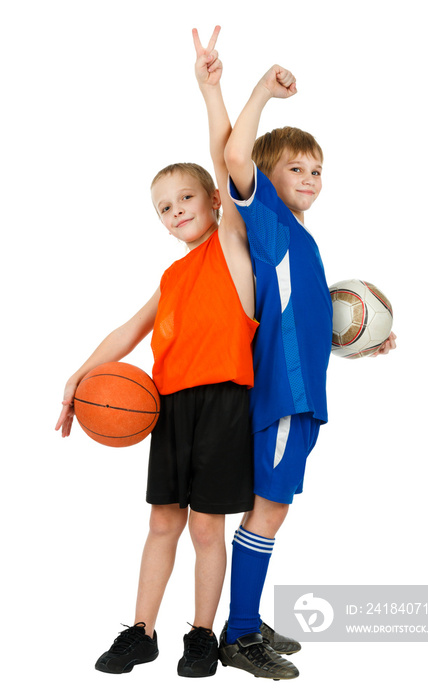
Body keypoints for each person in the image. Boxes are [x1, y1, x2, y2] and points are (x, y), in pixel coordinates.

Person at [55, 26, 259, 679]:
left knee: (206, 529)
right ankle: (141, 631)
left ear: (213, 201)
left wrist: (211, 88)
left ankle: (200, 635)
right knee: (162, 524)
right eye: (163, 209)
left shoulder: (231, 248)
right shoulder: (171, 279)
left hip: (225, 401)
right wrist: (78, 376)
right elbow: (127, 330)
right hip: (167, 406)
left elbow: (225, 158)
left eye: (185, 199)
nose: (174, 213)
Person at [219, 65, 397, 680]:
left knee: (270, 509)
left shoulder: (300, 239)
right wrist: (262, 93)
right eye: (296, 168)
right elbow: (235, 151)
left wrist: (355, 343)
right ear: (267, 180)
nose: (311, 178)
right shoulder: (267, 220)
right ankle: (239, 634)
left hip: (302, 396)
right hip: (285, 398)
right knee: (269, 510)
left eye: (317, 170)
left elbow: (302, 322)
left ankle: (245, 619)